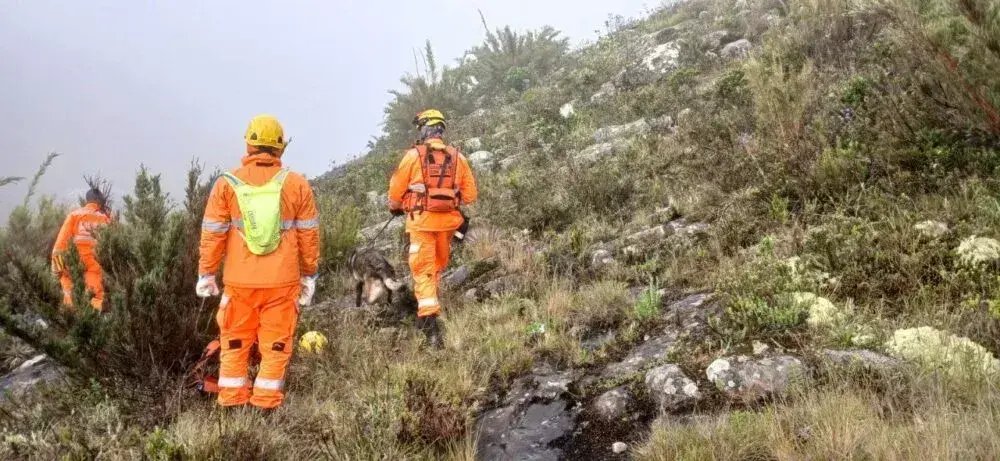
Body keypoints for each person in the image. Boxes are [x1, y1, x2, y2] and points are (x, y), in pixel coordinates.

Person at [196, 114, 320, 410]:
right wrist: (309, 275)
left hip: (239, 282)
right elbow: (309, 236)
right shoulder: (297, 184)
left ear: (249, 145)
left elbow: (212, 233)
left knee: (234, 343)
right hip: (283, 282)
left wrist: (207, 273)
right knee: (276, 346)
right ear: (280, 147)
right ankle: (265, 406)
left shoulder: (226, 184)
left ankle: (232, 404)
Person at [388, 109, 478, 347]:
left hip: (422, 223)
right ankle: (431, 303)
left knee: (424, 270)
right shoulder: (458, 157)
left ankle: (430, 325)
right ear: (441, 131)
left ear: (424, 130)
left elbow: (395, 193)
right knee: (436, 266)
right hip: (448, 224)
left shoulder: (412, 156)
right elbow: (470, 196)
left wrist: (396, 206)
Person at [51, 188, 112, 311]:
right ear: (100, 203)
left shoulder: (74, 215)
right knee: (95, 303)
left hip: (72, 267)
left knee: (71, 301)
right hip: (96, 269)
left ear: (87, 200)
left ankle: (73, 323)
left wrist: (56, 270)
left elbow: (59, 246)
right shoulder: (106, 219)